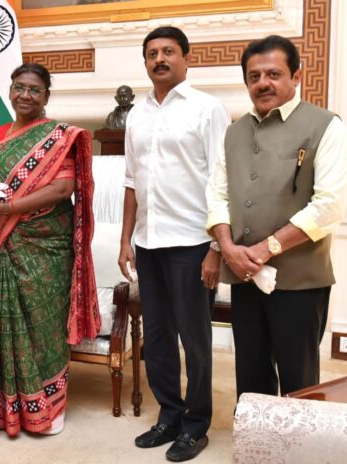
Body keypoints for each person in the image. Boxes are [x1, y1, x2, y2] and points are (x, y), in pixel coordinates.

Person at [206, 35, 347, 399]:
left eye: (273, 73)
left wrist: (266, 249)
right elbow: (218, 194)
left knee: (299, 379)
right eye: (254, 76)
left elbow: (329, 205)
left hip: (300, 280)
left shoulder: (325, 125)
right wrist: (227, 248)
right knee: (251, 374)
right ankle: (259, 449)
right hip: (243, 275)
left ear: (296, 75)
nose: (263, 83)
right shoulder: (233, 132)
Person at [0, 62, 100, 437]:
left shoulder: (60, 135)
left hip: (46, 246)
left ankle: (47, 410)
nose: (25, 95)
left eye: (34, 90)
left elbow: (61, 190)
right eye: (19, 87)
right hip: (4, 244)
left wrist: (6, 209)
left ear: (46, 97)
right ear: (10, 91)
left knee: (44, 327)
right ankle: (4, 409)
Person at [118, 26, 230, 462]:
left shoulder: (208, 109)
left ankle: (196, 423)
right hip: (148, 243)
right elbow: (131, 181)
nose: (159, 59)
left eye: (168, 52)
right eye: (151, 53)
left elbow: (223, 180)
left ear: (186, 58)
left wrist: (216, 248)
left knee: (195, 340)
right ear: (145, 62)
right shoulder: (137, 115)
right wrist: (126, 240)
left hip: (192, 243)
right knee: (159, 337)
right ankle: (169, 414)